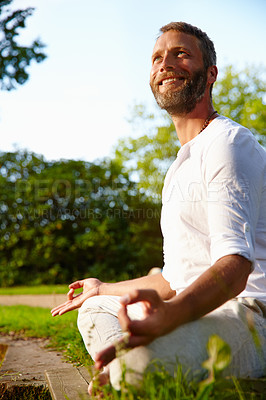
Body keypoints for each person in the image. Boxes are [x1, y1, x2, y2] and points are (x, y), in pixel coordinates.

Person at [51, 22, 266, 393]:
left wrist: (170, 316)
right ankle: (126, 367)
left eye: (180, 53)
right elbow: (172, 279)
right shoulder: (180, 166)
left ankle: (128, 372)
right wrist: (102, 288)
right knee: (95, 308)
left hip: (248, 315)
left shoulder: (228, 144)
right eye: (156, 57)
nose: (165, 62)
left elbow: (236, 267)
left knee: (136, 370)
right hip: (192, 307)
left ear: (210, 73)